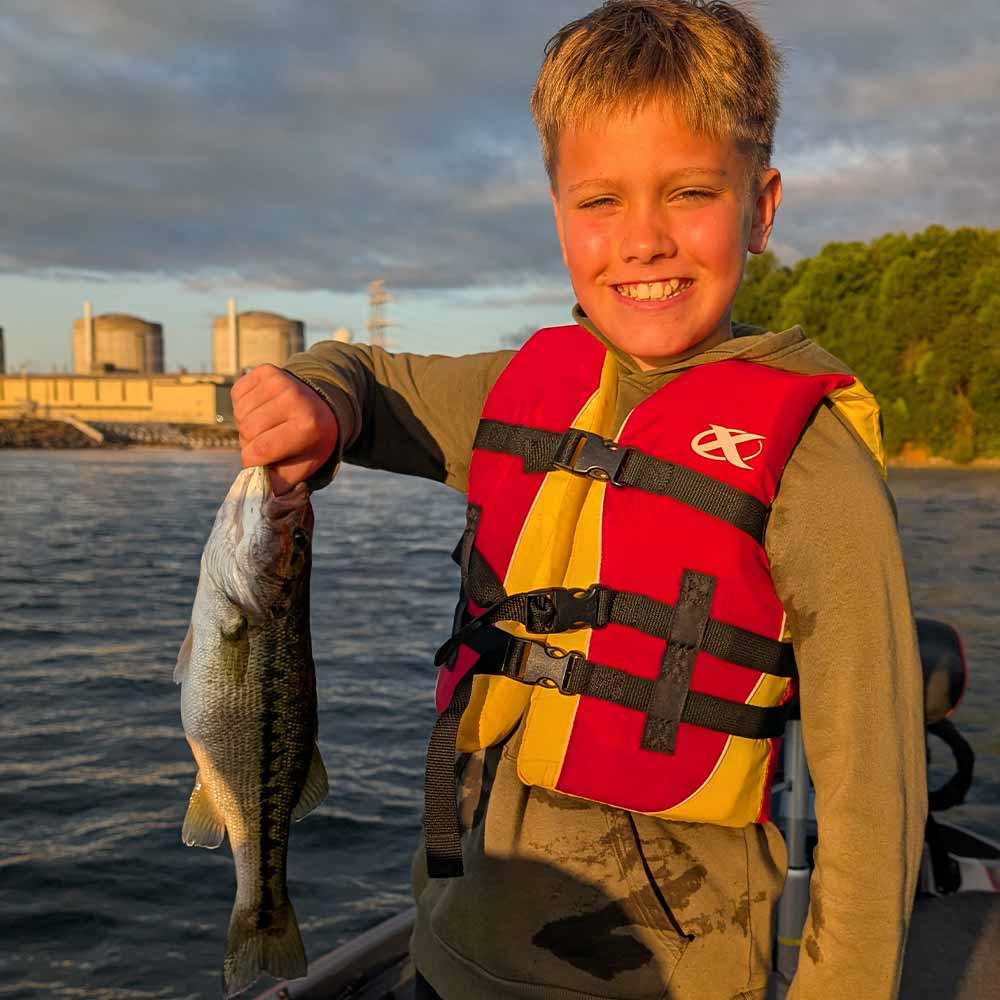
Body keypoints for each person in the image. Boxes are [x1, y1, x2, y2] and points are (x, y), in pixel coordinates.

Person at [231, 2, 926, 997]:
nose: (643, 241)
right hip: (448, 956)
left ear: (761, 207)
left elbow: (871, 799)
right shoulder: (514, 391)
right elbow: (362, 374)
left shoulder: (814, 469)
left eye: (690, 192)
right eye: (600, 201)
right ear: (557, 212)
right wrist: (314, 400)